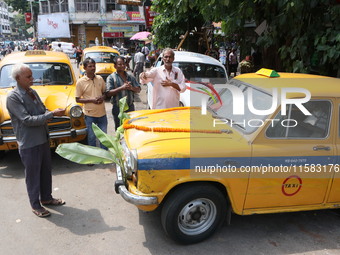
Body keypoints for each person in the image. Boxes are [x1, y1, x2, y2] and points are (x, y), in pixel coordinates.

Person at [6, 63, 66, 218]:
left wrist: (50, 112)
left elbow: (42, 109)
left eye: (32, 75)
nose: (33, 79)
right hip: (29, 143)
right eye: (29, 76)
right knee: (33, 176)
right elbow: (27, 120)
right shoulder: (13, 97)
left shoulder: (32, 92)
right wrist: (51, 114)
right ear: (18, 78)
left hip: (42, 139)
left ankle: (46, 197)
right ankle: (35, 205)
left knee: (45, 171)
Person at [75, 58, 107, 149]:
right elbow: (77, 99)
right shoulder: (80, 82)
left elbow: (105, 93)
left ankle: (105, 156)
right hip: (89, 115)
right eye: (90, 66)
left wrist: (102, 97)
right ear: (84, 68)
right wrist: (92, 100)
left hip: (102, 114)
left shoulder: (100, 79)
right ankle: (93, 157)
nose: (93, 68)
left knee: (104, 137)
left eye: (94, 66)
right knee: (91, 137)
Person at [106, 56, 141, 130]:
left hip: (130, 107)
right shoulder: (111, 77)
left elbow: (138, 89)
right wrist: (122, 87)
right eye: (120, 64)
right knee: (119, 129)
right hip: (118, 108)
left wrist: (131, 88)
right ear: (115, 66)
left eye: (124, 64)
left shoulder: (130, 76)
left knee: (130, 129)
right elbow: (108, 93)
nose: (122, 66)